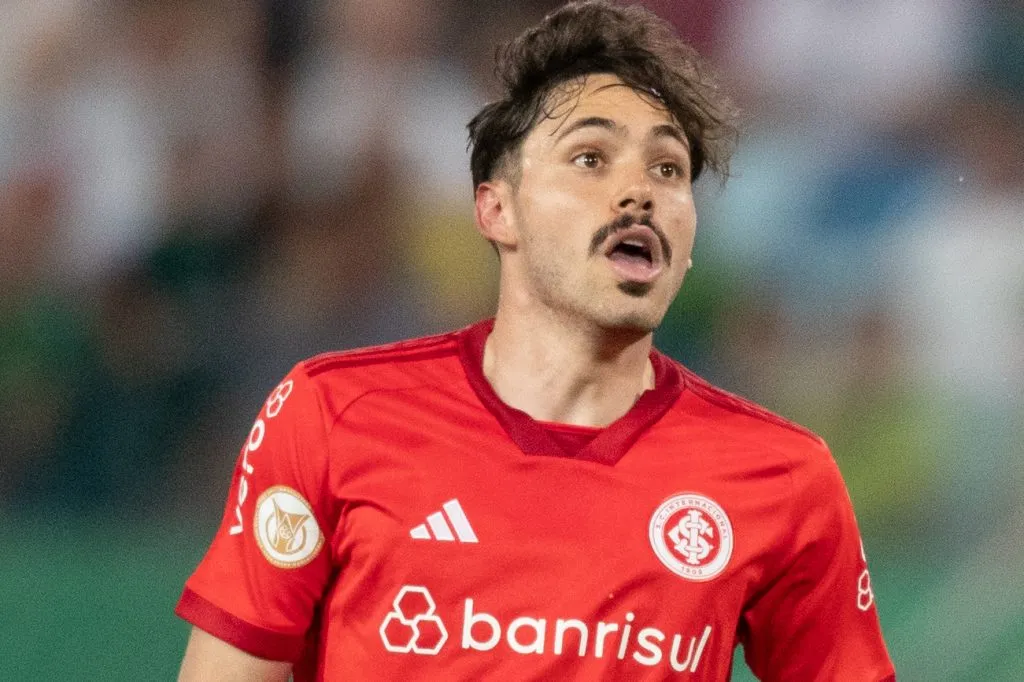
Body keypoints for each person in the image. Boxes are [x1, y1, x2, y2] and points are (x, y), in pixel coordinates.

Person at [175, 1, 895, 679]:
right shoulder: (331, 414)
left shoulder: (781, 477)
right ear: (497, 209)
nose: (639, 191)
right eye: (590, 158)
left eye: (668, 169)